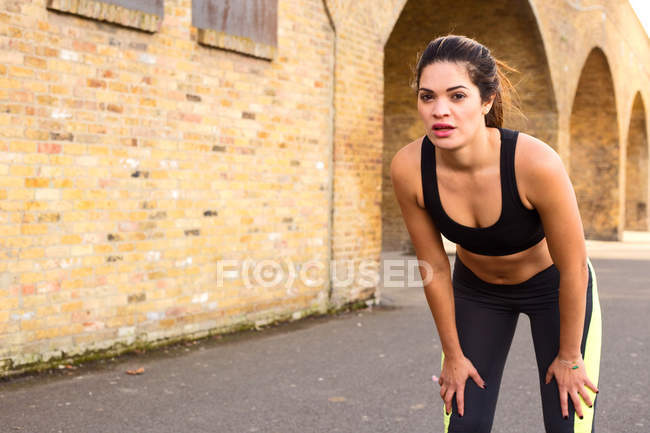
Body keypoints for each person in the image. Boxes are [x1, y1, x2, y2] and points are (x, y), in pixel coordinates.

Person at [390, 35, 602, 433]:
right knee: (464, 422)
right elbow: (434, 266)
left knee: (565, 421)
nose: (440, 111)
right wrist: (452, 354)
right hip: (478, 292)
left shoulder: (534, 163)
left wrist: (570, 357)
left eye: (457, 96)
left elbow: (573, 268)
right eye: (427, 96)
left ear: (486, 100)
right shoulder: (409, 168)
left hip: (554, 289)